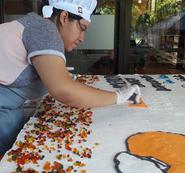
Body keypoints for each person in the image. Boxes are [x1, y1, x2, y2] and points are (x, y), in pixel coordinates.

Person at [0, 0, 141, 155]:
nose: (82, 38)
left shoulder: (35, 24)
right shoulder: (44, 29)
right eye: (82, 28)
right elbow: (63, 90)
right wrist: (118, 97)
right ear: (64, 17)